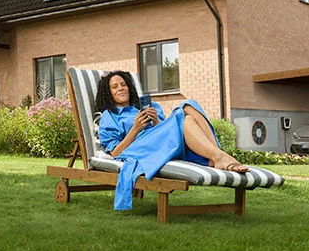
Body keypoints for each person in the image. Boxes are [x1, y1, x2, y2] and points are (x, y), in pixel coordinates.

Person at [94, 70, 247, 211]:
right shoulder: (109, 116)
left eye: (123, 84)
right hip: (141, 148)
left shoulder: (147, 107)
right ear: (109, 94)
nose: (120, 88)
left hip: (161, 143)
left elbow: (167, 130)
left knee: (189, 109)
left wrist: (156, 122)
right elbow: (115, 152)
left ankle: (217, 155)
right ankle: (219, 156)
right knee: (185, 116)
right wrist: (135, 129)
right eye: (114, 87)